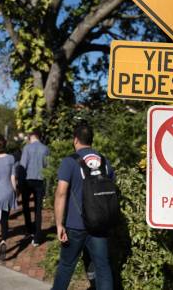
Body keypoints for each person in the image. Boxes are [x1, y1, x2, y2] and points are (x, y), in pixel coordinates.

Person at [52, 122, 114, 290]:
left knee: (66, 266)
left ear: (75, 140)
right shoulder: (105, 162)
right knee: (103, 267)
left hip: (75, 225)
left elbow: (61, 193)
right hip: (99, 224)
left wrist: (59, 224)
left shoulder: (69, 161)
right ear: (92, 140)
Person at [20, 128, 49, 246]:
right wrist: (47, 187)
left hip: (27, 180)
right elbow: (48, 168)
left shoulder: (27, 148)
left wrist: (19, 184)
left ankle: (28, 229)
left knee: (26, 206)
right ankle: (37, 237)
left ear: (31, 136)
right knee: (38, 209)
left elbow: (22, 166)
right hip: (40, 181)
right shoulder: (45, 149)